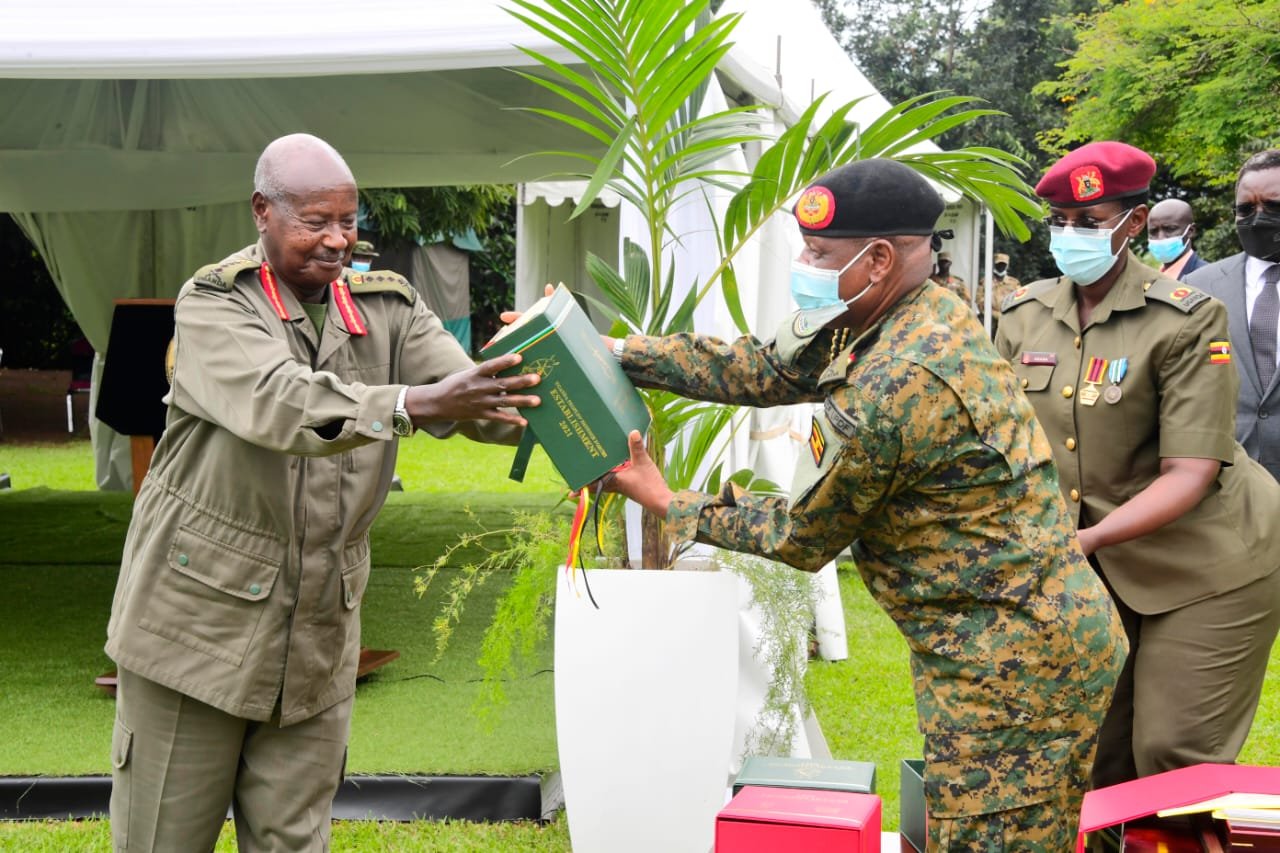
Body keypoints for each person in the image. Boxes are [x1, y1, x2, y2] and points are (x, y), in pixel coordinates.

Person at [604, 158, 1126, 850]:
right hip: (1000, 640)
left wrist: (668, 500)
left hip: (1015, 665)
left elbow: (802, 534)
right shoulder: (901, 310)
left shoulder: (902, 377)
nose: (804, 266)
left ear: (878, 260)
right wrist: (619, 353)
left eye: (819, 253)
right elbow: (765, 367)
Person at [103, 133, 540, 852]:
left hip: (315, 643)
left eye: (348, 220)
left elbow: (473, 398)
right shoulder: (214, 303)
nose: (337, 240)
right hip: (194, 632)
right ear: (262, 211)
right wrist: (412, 403)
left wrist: (552, 360)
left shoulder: (386, 305)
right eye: (315, 221)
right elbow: (283, 403)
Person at [995, 140, 1280, 791]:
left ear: (1133, 222)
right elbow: (1003, 442)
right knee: (1096, 754)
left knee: (1173, 751)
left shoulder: (1186, 317)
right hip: (1098, 567)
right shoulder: (1023, 315)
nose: (1071, 234)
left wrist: (1083, 540)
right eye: (1060, 220)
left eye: (1090, 221)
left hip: (1210, 561)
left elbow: (1190, 471)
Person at [1186, 149, 1280, 481]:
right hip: (1229, 480)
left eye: (1273, 207)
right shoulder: (1199, 286)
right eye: (1246, 209)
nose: (1258, 218)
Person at [1146, 198, 1208, 280]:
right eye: (1153, 231)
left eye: (1170, 229)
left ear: (1190, 231)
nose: (1160, 238)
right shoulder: (1149, 279)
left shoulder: (1207, 277)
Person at [974, 251, 1021, 332]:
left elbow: (1019, 300)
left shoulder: (1014, 283)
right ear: (995, 264)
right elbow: (979, 301)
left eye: (1003, 265)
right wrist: (995, 314)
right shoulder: (985, 282)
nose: (1001, 267)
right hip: (989, 318)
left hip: (1008, 318)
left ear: (1007, 266)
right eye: (999, 264)